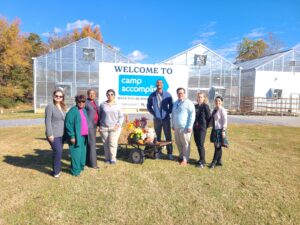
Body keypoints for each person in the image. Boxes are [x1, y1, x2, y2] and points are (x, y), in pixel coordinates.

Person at [147, 79, 173, 159]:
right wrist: (154, 113)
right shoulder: (152, 95)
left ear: (163, 85)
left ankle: (169, 153)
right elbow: (148, 106)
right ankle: (158, 152)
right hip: (157, 119)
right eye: (157, 83)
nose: (159, 84)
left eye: (160, 83)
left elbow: (171, 105)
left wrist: (167, 113)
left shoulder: (168, 94)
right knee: (157, 137)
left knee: (168, 136)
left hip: (166, 119)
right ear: (156, 85)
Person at [65, 95, 89, 176]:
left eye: (83, 101)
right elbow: (68, 124)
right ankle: (75, 171)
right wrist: (72, 136)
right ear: (76, 102)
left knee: (82, 154)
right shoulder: (73, 111)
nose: (81, 103)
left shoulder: (84, 110)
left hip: (84, 136)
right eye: (79, 101)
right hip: (76, 137)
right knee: (76, 154)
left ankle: (81, 166)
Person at [45, 90, 66, 178]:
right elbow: (47, 121)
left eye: (60, 96)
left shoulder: (63, 106)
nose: (58, 97)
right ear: (53, 96)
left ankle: (57, 168)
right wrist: (50, 134)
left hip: (62, 134)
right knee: (58, 151)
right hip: (54, 134)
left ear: (62, 98)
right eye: (56, 96)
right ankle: (56, 172)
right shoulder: (50, 106)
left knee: (58, 152)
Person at [99, 89, 124, 164]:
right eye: (108, 94)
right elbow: (99, 115)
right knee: (106, 144)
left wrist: (118, 125)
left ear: (114, 96)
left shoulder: (118, 105)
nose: (110, 96)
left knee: (113, 143)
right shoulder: (102, 104)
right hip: (104, 127)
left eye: (112, 94)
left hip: (114, 128)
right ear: (106, 95)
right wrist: (99, 125)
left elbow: (121, 117)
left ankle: (113, 159)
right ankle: (107, 158)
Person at [172, 88, 195, 166]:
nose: (180, 94)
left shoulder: (188, 103)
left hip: (185, 128)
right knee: (178, 143)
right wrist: (173, 125)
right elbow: (173, 115)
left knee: (185, 144)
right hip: (176, 127)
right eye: (178, 93)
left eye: (181, 93)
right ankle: (181, 156)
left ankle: (185, 159)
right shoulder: (175, 103)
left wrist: (190, 126)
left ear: (184, 94)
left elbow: (192, 115)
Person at [209, 96, 228, 169]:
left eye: (219, 101)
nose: (217, 102)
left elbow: (225, 121)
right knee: (217, 146)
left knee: (217, 146)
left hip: (220, 130)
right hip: (214, 129)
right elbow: (212, 119)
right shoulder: (214, 109)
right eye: (216, 101)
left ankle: (213, 162)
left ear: (221, 102)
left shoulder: (222, 110)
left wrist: (223, 130)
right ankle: (219, 161)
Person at [193, 92, 211, 168]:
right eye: (199, 97)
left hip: (202, 128)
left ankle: (202, 162)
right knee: (197, 144)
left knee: (200, 144)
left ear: (204, 98)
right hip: (195, 128)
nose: (200, 98)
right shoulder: (195, 106)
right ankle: (200, 159)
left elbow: (209, 117)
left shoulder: (205, 106)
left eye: (201, 97)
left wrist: (205, 126)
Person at [85, 89, 99, 169]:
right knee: (92, 144)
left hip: (94, 125)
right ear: (87, 94)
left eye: (93, 93)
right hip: (89, 126)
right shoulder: (85, 102)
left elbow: (97, 113)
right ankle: (93, 164)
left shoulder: (95, 102)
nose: (92, 95)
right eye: (90, 93)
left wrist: (98, 125)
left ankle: (87, 161)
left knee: (90, 144)